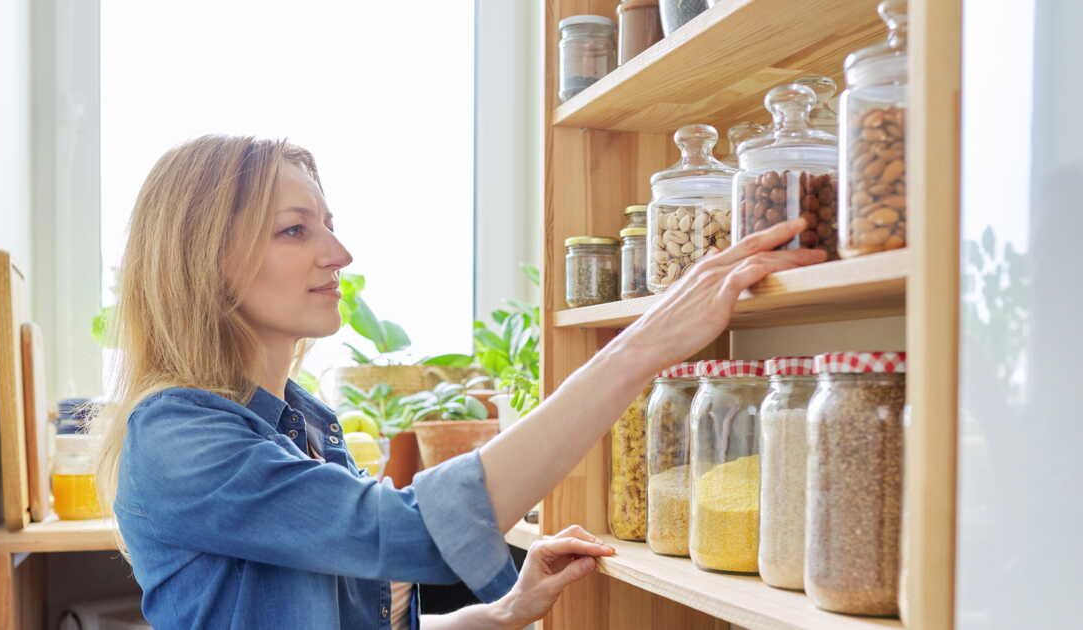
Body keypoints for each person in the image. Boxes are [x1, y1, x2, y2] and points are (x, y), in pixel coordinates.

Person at [93, 136, 825, 629]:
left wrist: (501, 613)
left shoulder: (304, 423)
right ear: (204, 261)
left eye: (328, 225)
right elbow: (410, 532)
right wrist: (647, 342)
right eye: (296, 230)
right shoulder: (178, 435)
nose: (339, 253)